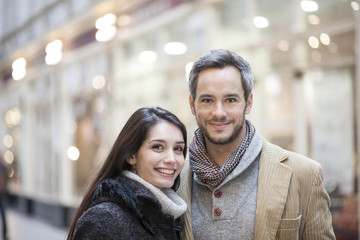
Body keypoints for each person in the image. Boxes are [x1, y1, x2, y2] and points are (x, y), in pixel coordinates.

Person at [178, 49, 335, 240]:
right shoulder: (174, 177)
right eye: (207, 100)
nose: (218, 112)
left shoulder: (304, 175)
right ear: (192, 104)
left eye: (230, 100)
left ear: (248, 103)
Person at [67, 107, 188, 240]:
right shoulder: (105, 219)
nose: (171, 159)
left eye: (178, 149)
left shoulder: (171, 219)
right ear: (131, 156)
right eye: (158, 147)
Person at [0, 153, 8, 240]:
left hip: (3, 195)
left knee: (3, 215)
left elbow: (7, 180)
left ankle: (5, 234)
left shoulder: (4, 168)